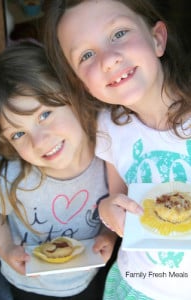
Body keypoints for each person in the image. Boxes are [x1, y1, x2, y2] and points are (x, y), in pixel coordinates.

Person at [43, 0, 191, 299]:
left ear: (157, 38)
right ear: (83, 84)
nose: (108, 59)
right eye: (86, 55)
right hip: (136, 286)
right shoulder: (109, 126)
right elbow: (118, 195)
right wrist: (108, 210)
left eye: (119, 33)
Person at [0, 41, 117, 300]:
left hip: (90, 277)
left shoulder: (108, 154)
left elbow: (121, 199)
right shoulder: (13, 175)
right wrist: (5, 247)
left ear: (73, 94)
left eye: (44, 115)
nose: (39, 142)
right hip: (29, 285)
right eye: (18, 133)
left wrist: (109, 233)